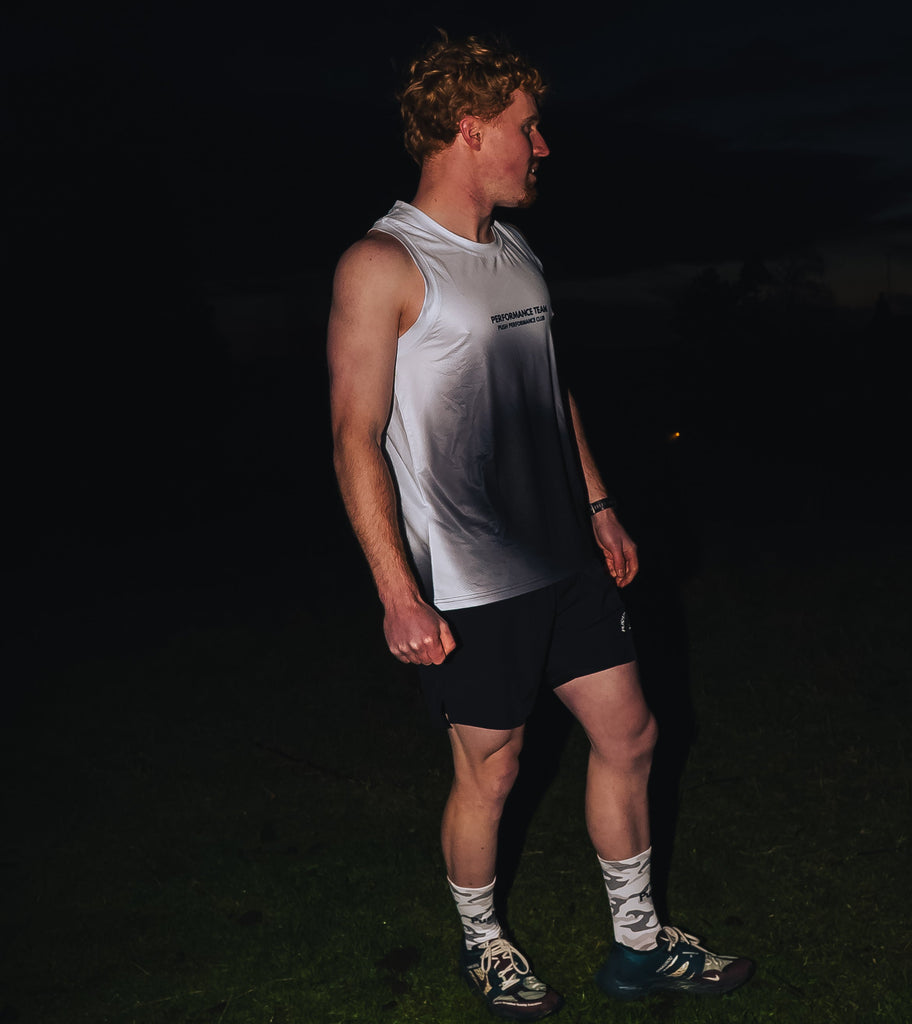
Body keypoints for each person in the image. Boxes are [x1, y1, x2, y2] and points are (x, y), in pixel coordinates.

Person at [327, 33, 753, 1021]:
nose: (541, 147)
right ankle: (484, 944)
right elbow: (353, 438)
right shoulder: (383, 263)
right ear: (470, 131)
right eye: (527, 127)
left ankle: (639, 946)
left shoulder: (515, 252)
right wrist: (397, 592)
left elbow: (550, 390)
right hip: (470, 582)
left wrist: (597, 502)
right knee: (495, 768)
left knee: (633, 733)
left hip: (565, 558)